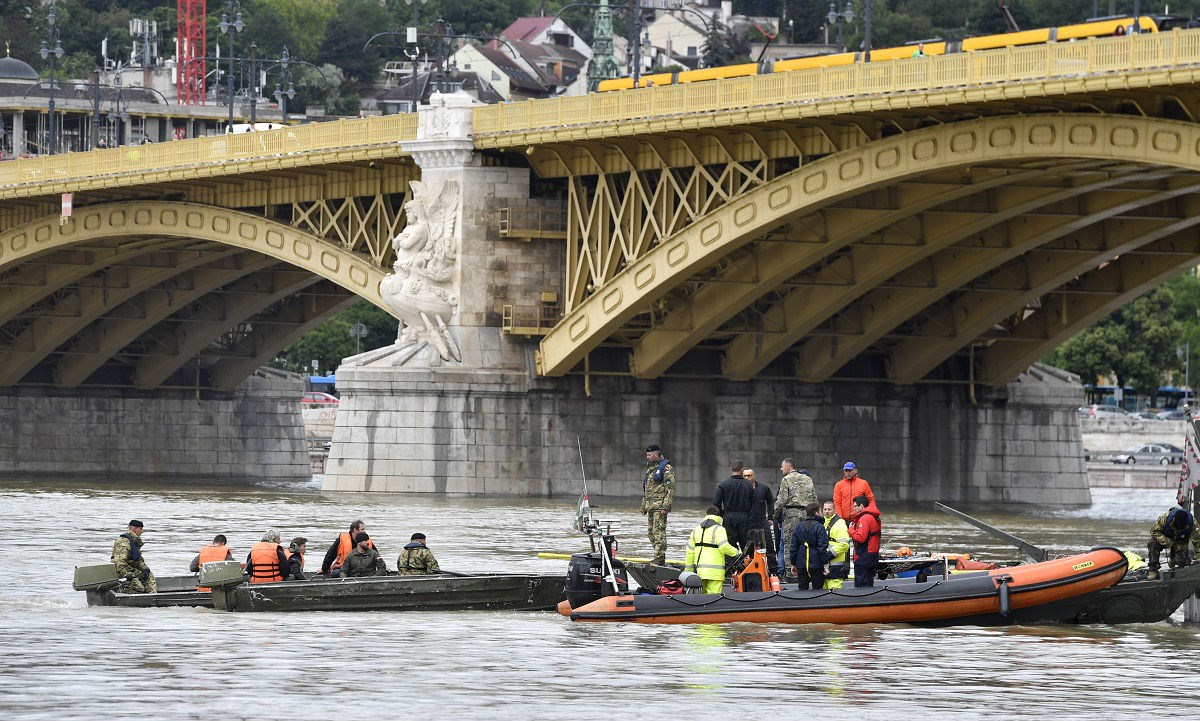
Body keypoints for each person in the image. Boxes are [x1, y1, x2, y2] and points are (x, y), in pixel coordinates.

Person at [683, 506, 741, 594]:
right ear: (719, 516)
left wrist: (689, 571)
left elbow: (690, 552)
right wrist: (737, 553)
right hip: (715, 572)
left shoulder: (696, 529)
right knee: (714, 598)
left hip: (700, 572)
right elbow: (724, 547)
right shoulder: (719, 529)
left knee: (703, 597)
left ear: (706, 515)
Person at [773, 458, 816, 574]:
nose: (781, 468)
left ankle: (790, 571)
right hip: (807, 515)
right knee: (806, 542)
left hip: (792, 515)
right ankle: (806, 569)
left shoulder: (786, 479)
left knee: (789, 543)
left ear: (788, 467)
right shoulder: (808, 479)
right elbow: (814, 499)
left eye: (782, 466)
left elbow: (782, 500)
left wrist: (775, 515)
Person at [641, 444, 676, 565]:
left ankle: (660, 557)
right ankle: (657, 555)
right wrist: (643, 506)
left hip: (660, 506)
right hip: (650, 506)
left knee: (659, 531)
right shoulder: (650, 468)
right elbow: (647, 489)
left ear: (656, 454)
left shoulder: (666, 468)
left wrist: (666, 506)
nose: (647, 457)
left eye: (649, 455)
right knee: (650, 532)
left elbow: (670, 489)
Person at [1147, 506, 1200, 579]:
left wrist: (1198, 559)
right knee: (1152, 542)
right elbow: (1154, 531)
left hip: (1180, 541)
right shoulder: (1164, 518)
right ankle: (1153, 570)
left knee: (1183, 563)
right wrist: (1166, 541)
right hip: (1165, 538)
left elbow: (1198, 542)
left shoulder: (1193, 524)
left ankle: (1173, 559)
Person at [790, 503, 832, 590]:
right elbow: (822, 548)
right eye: (820, 511)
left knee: (802, 588)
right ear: (816, 513)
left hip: (801, 563)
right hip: (816, 563)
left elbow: (793, 547)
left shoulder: (798, 527)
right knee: (817, 589)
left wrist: (793, 563)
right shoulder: (820, 527)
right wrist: (825, 564)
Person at [745, 467, 778, 575]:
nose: (747, 478)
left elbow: (770, 502)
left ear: (754, 476)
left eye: (749, 475)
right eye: (745, 476)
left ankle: (774, 571)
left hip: (762, 521)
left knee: (769, 546)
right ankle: (748, 570)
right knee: (748, 549)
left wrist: (770, 517)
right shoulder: (741, 489)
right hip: (747, 522)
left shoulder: (763, 488)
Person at [712, 461, 753, 549]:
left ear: (732, 469)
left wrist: (723, 514)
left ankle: (732, 561)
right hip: (744, 517)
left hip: (728, 517)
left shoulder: (723, 484)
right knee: (745, 544)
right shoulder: (748, 485)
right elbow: (753, 503)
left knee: (729, 544)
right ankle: (745, 561)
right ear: (742, 469)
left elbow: (716, 503)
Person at [112, 519, 156, 593]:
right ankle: (120, 590)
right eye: (141, 529)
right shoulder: (124, 541)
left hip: (131, 569)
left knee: (149, 576)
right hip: (121, 572)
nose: (142, 531)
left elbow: (137, 559)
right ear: (134, 528)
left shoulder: (134, 541)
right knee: (139, 587)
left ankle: (153, 597)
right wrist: (126, 574)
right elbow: (119, 561)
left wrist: (145, 569)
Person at [847, 495, 882, 587]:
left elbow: (860, 538)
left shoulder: (865, 518)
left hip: (863, 557)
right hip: (872, 555)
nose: (853, 508)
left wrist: (851, 529)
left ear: (861, 506)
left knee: (861, 584)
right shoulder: (874, 516)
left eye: (855, 506)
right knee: (869, 582)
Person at [821, 500, 852, 589]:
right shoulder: (821, 522)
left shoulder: (840, 523)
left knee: (834, 588)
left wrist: (829, 555)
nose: (826, 511)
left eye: (829, 509)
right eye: (825, 509)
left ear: (834, 510)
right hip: (823, 565)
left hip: (835, 565)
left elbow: (844, 544)